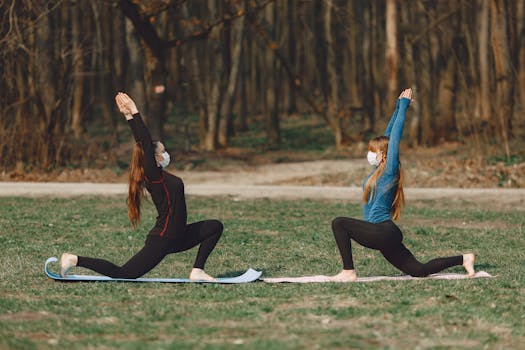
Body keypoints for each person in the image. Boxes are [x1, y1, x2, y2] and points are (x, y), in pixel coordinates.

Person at [60, 92, 223, 281]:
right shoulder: (153, 176)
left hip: (179, 236)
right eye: (163, 151)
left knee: (214, 226)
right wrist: (134, 112)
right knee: (125, 274)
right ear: (154, 159)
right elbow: (144, 142)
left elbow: (143, 143)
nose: (166, 154)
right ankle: (74, 259)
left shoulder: (161, 176)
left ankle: (197, 271)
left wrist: (127, 114)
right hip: (164, 238)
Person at [329, 88, 475, 282]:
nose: (369, 153)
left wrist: (405, 108)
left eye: (372, 150)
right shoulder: (378, 172)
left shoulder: (390, 172)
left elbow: (394, 139)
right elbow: (389, 136)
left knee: (339, 223)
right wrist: (398, 105)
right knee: (419, 271)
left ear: (383, 155)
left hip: (383, 231)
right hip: (384, 235)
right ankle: (464, 259)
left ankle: (348, 272)